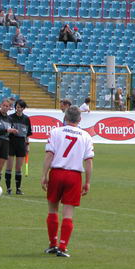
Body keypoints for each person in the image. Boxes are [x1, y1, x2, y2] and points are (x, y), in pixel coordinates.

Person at [41, 106, 94, 258]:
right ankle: (62, 247)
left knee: (52, 209)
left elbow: (49, 156)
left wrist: (44, 175)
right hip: (74, 175)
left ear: (65, 117)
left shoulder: (55, 132)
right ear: (80, 119)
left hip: (57, 173)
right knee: (68, 212)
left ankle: (52, 244)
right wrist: (87, 182)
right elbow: (89, 162)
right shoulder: (86, 136)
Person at [5, 99, 32, 195]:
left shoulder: (26, 119)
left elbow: (27, 134)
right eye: (17, 107)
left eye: (20, 107)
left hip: (21, 143)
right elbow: (6, 130)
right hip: (11, 142)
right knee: (9, 167)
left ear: (23, 108)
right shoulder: (10, 117)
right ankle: (8, 188)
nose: (18, 109)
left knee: (18, 168)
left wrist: (27, 145)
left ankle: (18, 188)